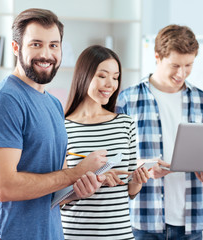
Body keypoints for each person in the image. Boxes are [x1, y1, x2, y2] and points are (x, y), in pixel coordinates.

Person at [0, 9, 108, 240]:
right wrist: (73, 173)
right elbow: (5, 188)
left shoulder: (54, 104)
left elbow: (53, 190)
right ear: (16, 48)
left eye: (54, 45)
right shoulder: (4, 101)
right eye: (36, 44)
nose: (46, 54)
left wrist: (79, 188)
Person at [116, 24, 203, 239]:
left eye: (188, 65)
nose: (181, 73)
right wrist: (143, 167)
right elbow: (114, 161)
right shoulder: (128, 100)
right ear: (157, 56)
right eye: (175, 65)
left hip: (191, 221)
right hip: (144, 220)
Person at [60, 45, 150, 239]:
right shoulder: (62, 127)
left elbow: (130, 191)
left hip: (119, 234)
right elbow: (56, 195)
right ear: (84, 75)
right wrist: (93, 177)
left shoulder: (126, 124)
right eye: (102, 76)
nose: (110, 84)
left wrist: (138, 180)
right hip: (75, 234)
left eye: (115, 77)